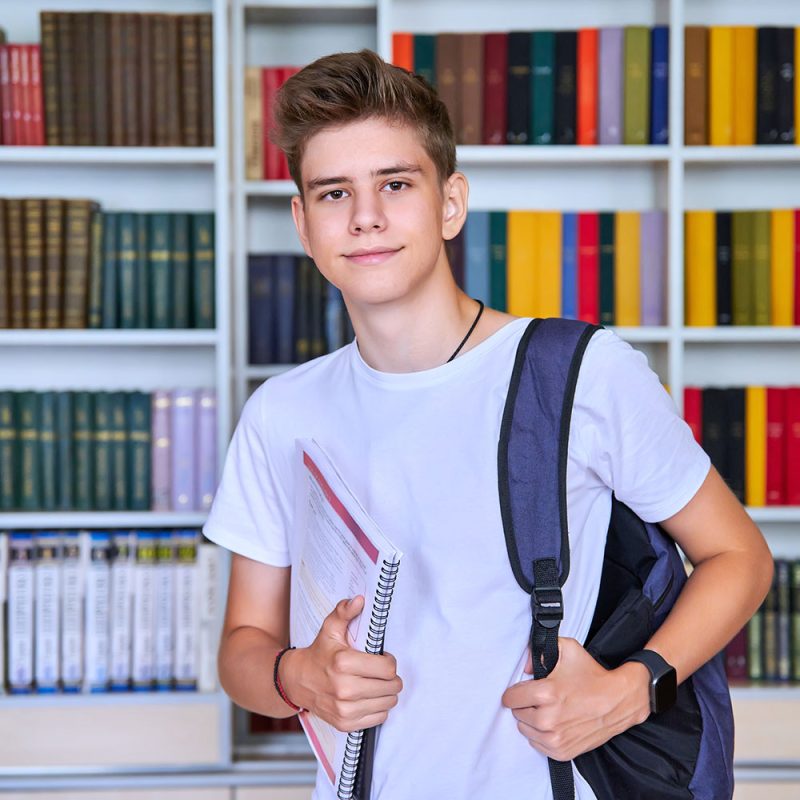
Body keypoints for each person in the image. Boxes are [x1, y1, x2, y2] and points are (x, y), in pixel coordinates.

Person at [203, 49, 773, 799]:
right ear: (304, 225)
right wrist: (296, 675)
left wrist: (630, 689)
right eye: (334, 193)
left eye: (395, 184)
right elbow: (243, 648)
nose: (366, 217)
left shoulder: (581, 374)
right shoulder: (282, 412)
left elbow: (741, 557)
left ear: (451, 203)